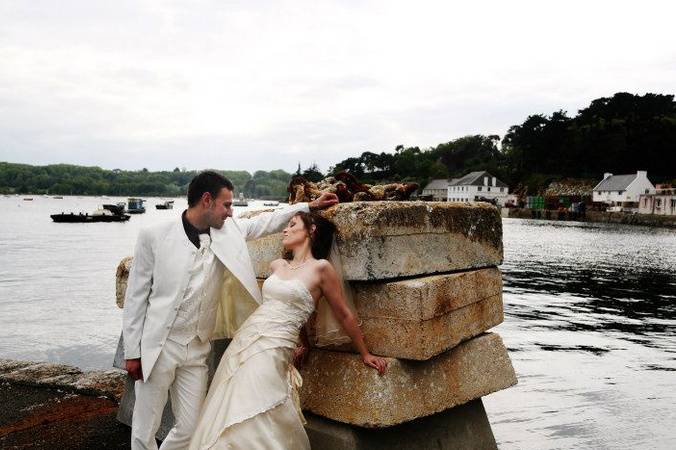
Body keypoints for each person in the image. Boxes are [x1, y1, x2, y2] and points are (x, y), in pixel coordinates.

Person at [123, 170, 338, 450]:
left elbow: (266, 222)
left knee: (190, 429)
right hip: (159, 346)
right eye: (226, 205)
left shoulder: (230, 231)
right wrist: (133, 353)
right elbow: (136, 298)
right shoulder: (153, 236)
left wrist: (308, 207)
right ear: (207, 200)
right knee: (144, 429)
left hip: (197, 348)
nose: (230, 212)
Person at [188, 211, 388, 450]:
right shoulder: (277, 265)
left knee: (260, 396)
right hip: (248, 338)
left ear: (311, 230)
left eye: (292, 225)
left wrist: (365, 354)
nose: (285, 229)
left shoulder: (321, 269)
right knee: (233, 395)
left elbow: (343, 313)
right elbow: (288, 308)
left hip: (276, 345)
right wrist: (305, 343)